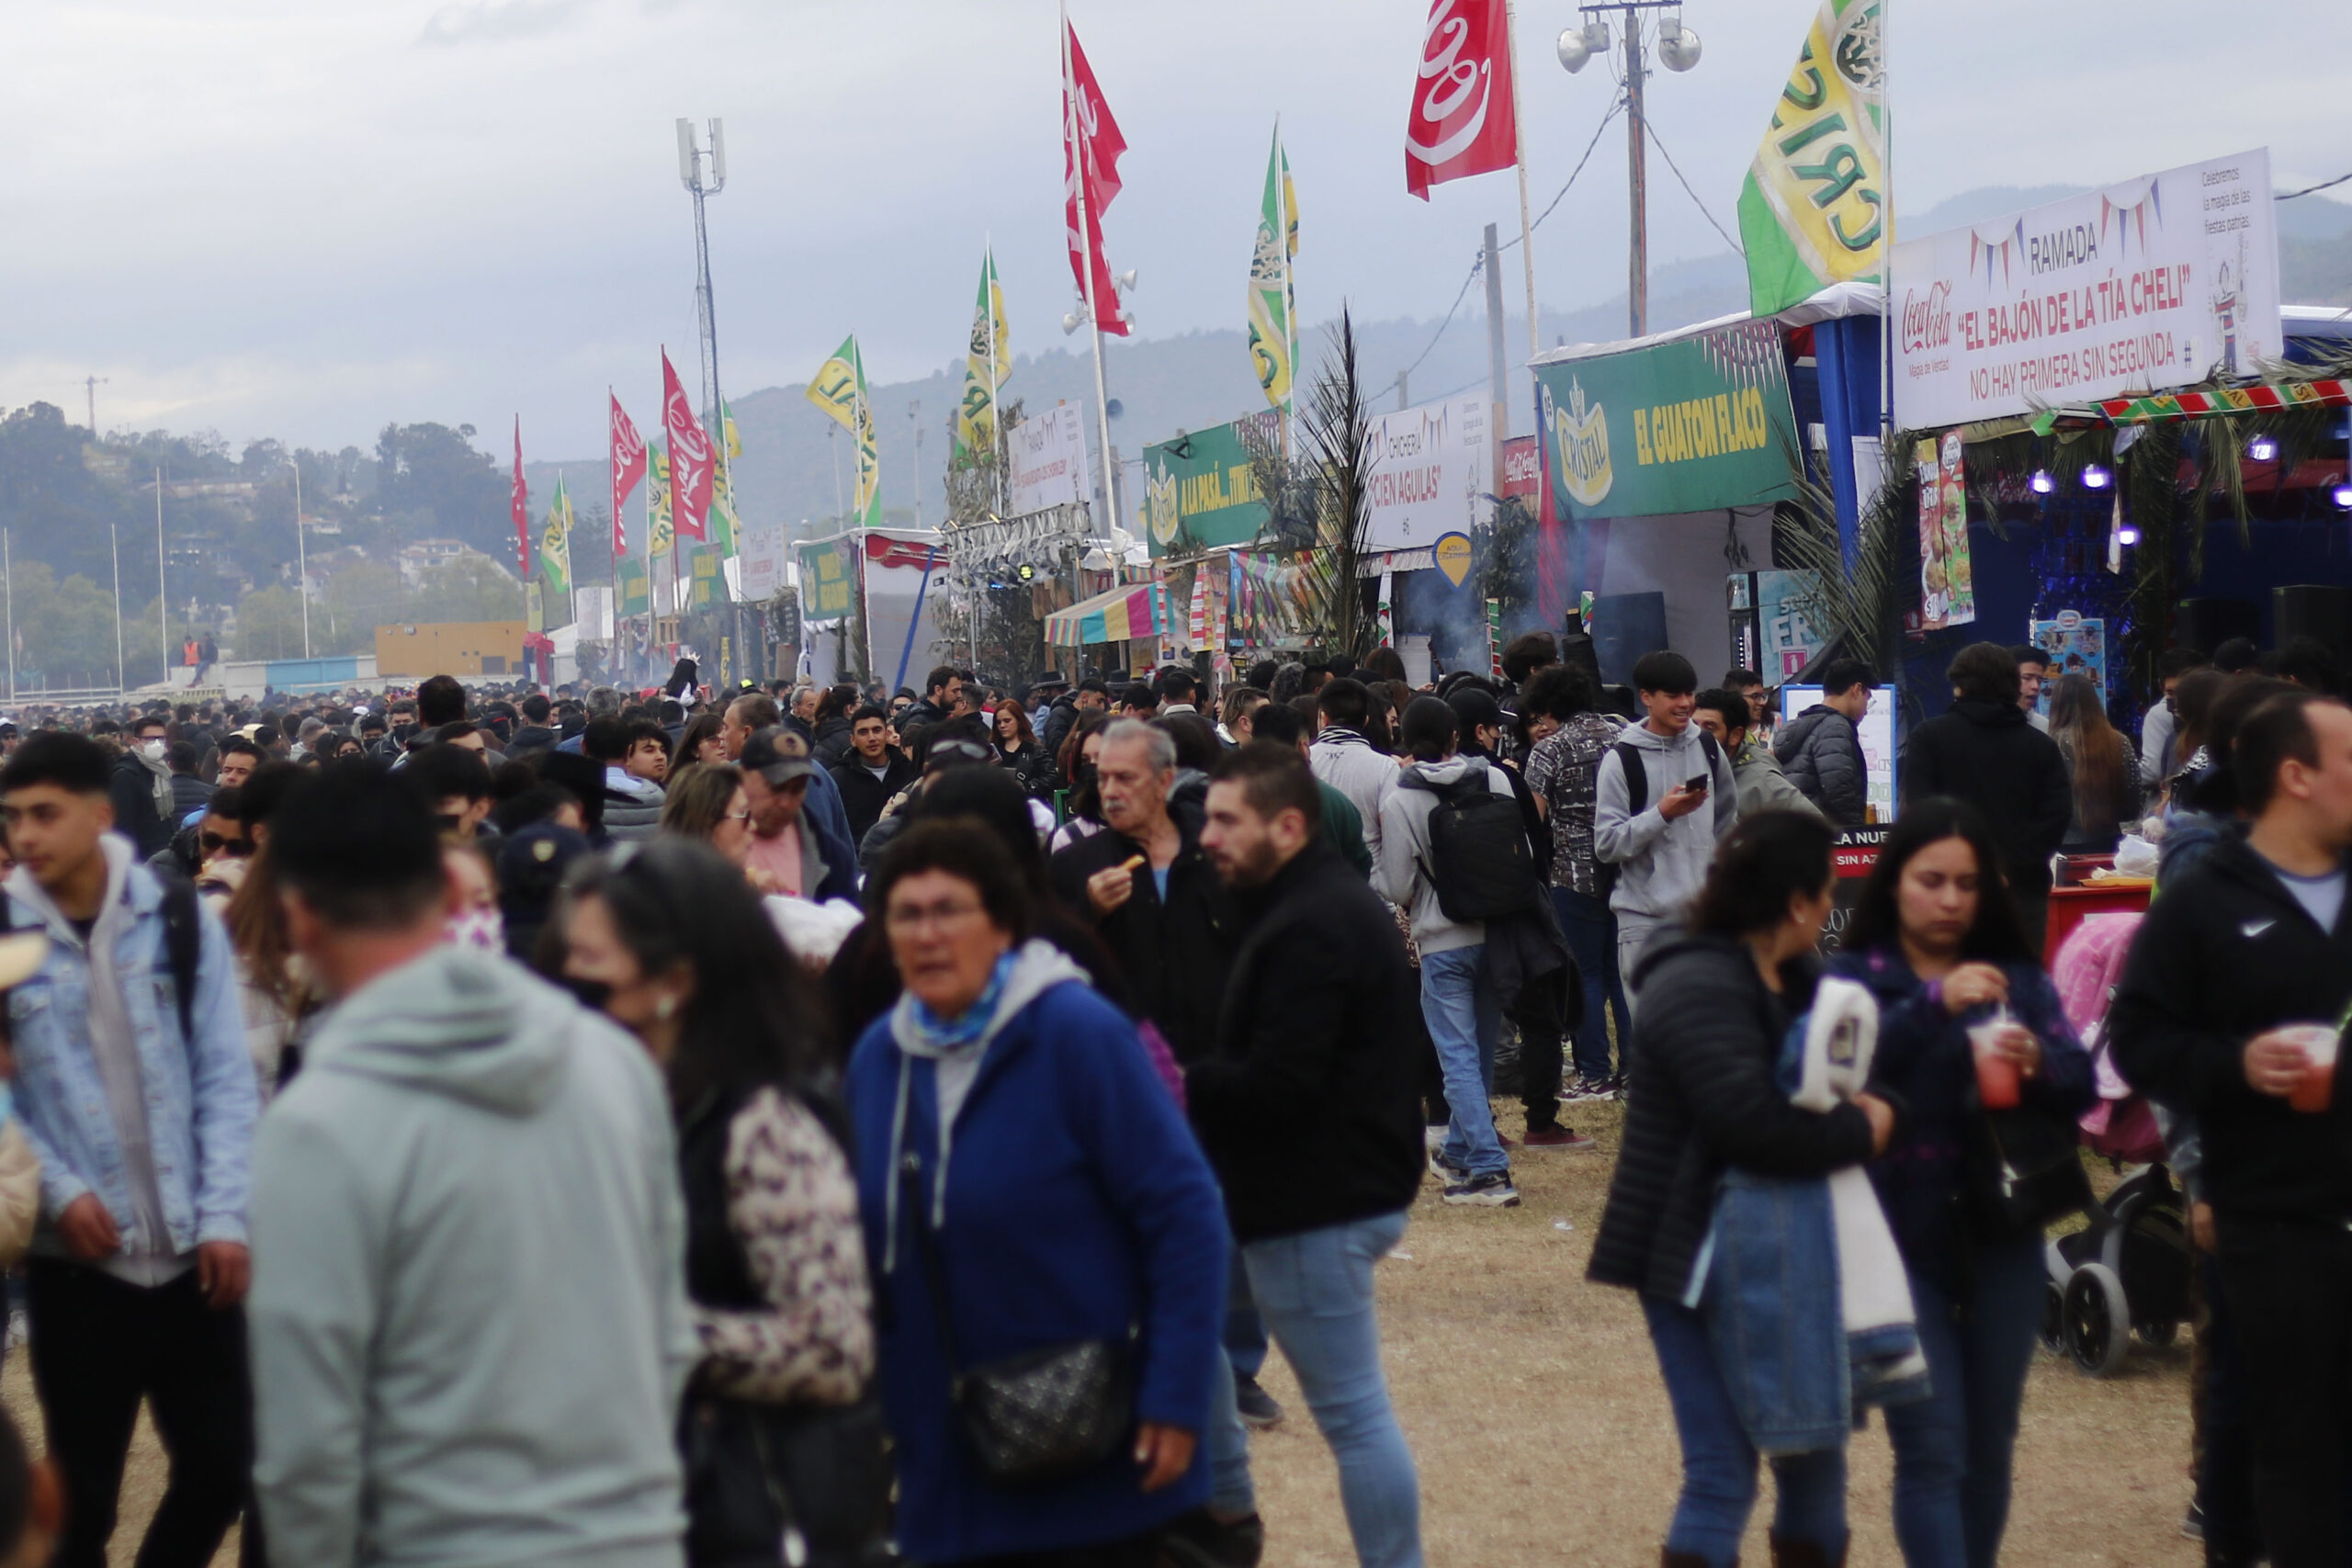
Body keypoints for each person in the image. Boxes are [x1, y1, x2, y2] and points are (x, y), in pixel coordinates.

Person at [246, 764, 695, 1568]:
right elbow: (667, 1323)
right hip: (633, 1531)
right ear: (451, 896)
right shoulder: (613, 1062)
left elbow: (308, 1441)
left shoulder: (317, 1126)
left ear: (299, 914)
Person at [846, 822, 1227, 1568]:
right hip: (937, 1460)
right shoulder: (880, 1057)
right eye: (905, 915)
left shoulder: (1075, 1033)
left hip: (1081, 1442)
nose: (926, 933)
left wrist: (1177, 1392)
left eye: (948, 910)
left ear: (1003, 922)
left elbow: (1184, 1214)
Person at [553, 840, 887, 1568]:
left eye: (595, 974)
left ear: (676, 977)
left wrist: (643, 1333)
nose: (571, 991)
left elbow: (833, 1346)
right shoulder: (617, 1102)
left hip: (760, 1509)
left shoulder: (764, 1122)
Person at [1588, 811, 1897, 1568]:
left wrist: (1881, 1107)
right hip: (1691, 1255)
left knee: (1816, 1462)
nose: (1831, 905)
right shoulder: (1693, 979)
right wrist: (1868, 1130)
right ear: (1797, 901)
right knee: (1724, 1471)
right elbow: (1750, 1124)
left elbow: (1865, 1073)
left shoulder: (1800, 976)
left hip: (1797, 1253)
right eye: (1826, 891)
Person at [1, 732, 259, 1568]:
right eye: (13, 818)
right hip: (80, 1266)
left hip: (195, 1253)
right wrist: (62, 1190)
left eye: (46, 813)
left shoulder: (177, 915)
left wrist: (225, 1212)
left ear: (99, 813)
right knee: (81, 1500)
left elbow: (224, 1073)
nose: (27, 835)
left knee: (224, 1468)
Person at [2110, 689, 2352, 1568]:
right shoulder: (2204, 896)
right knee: (2296, 1438)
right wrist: (2237, 1067)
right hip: (2272, 1216)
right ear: (2296, 777)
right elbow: (2138, 1038)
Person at [1828, 801, 2094, 1568]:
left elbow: (2080, 1082)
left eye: (1968, 884)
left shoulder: (2014, 977)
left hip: (2004, 1228)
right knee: (1931, 1446)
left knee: (1989, 1444)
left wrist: (2040, 1060)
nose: (1950, 899)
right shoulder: (1854, 978)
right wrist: (1930, 1006)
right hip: (1894, 1237)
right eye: (1931, 880)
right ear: (1893, 883)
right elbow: (1831, 1079)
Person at [1193, 742, 1426, 1568]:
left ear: (1288, 826)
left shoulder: (1314, 923)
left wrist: (1172, 1081)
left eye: (1226, 821)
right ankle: (1214, 1525)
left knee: (1354, 1412)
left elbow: (1278, 1082)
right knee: (1190, 1355)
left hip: (1313, 1199)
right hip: (1292, 1190)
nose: (1208, 837)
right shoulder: (1301, 906)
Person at [1375, 697, 1521, 1207]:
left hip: (1442, 939)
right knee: (1477, 1051)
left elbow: (1397, 885)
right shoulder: (1496, 780)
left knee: (1455, 1053)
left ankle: (1487, 1169)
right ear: (1456, 736)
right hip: (1500, 933)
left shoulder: (1400, 800)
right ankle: (1461, 1150)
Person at [1046, 720, 1230, 1070]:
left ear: (1164, 781)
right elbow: (1048, 964)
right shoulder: (1076, 864)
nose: (1111, 792)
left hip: (1217, 1069)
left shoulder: (1215, 853)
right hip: (1123, 1066)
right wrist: (1089, 911)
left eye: (1126, 778)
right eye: (1103, 779)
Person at [1898, 643, 2072, 952]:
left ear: (1959, 687)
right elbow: (2056, 817)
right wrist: (2009, 867)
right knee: (2015, 989)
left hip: (1950, 895)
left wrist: (1969, 872)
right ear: (2010, 686)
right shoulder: (2040, 746)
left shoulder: (1929, 738)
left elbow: (1922, 814)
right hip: (2023, 893)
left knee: (1951, 989)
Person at [1593, 650, 1737, 1017]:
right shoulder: (1621, 760)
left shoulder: (1707, 747)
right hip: (1645, 925)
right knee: (1660, 1046)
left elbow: (1726, 823)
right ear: (1646, 697)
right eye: (1673, 695)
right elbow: (1606, 844)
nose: (1686, 703)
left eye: (1689, 693)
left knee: (1710, 1040)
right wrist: (1661, 814)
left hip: (1705, 924)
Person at [1522, 662, 1634, 1097]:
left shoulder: (1549, 750)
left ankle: (1593, 1071)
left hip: (1574, 871)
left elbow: (1535, 820)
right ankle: (1633, 1066)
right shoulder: (1622, 737)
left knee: (1585, 973)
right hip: (1624, 866)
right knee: (1619, 972)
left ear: (1550, 707)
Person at [739, 728, 855, 903]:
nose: (785, 803)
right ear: (743, 777)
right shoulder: (711, 839)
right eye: (776, 787)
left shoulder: (831, 855)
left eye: (797, 790)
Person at [2047, 673, 2143, 852]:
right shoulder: (2120, 742)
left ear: (2056, 704)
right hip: (2111, 845)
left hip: (2064, 847)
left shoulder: (2050, 744)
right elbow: (2133, 806)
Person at [1307, 679, 1397, 865]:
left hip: (1312, 879)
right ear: (1366, 720)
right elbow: (1393, 835)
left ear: (1323, 718)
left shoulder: (1300, 763)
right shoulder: (1385, 767)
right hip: (1368, 883)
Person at [1772, 659, 1873, 826]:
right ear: (1856, 689)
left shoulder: (1798, 725)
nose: (1866, 710)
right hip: (1825, 834)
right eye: (1867, 698)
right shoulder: (1834, 727)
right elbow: (1838, 789)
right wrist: (1856, 831)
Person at [1695, 689, 1820, 820]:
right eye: (1693, 727)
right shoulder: (1689, 765)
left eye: (1709, 729)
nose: (1696, 736)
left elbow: (1816, 828)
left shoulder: (1761, 781)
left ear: (1735, 736)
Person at [831, 705, 916, 846]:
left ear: (886, 734)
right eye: (863, 732)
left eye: (877, 730)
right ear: (852, 740)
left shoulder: (909, 770)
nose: (871, 738)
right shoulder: (838, 779)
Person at [108, 712, 178, 860]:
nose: (157, 743)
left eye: (161, 738)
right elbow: (122, 825)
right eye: (151, 739)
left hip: (164, 853)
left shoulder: (161, 770)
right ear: (136, 742)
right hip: (142, 856)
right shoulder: (125, 774)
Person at [588, 717, 667, 844]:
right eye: (649, 750)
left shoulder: (577, 796)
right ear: (629, 752)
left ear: (583, 747)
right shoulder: (660, 797)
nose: (660, 757)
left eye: (663, 750)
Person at [2142, 649, 2207, 786]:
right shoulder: (2172, 738)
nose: (2178, 702)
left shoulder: (2220, 728)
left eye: (2185, 692)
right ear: (2161, 686)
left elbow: (2153, 771)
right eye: (2171, 693)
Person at [989, 698, 1057, 803]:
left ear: (1019, 721)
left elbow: (1050, 777)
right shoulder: (992, 751)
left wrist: (1028, 787)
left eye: (1007, 721)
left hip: (1029, 807)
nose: (1002, 726)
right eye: (998, 722)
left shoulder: (1035, 750)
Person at [2010, 646, 2051, 733]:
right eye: (2027, 678)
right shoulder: (1988, 725)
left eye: (2039, 681)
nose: (2035, 686)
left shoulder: (2044, 726)